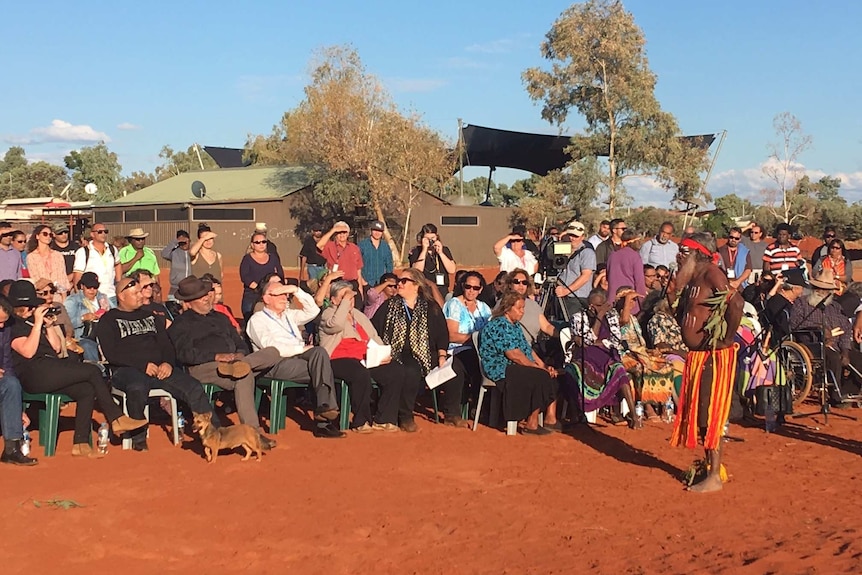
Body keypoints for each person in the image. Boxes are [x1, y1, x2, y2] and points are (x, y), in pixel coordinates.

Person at [7, 280, 147, 456]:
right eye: (29, 306)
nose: (33, 310)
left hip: (49, 368)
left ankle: (80, 443)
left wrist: (49, 325)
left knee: (86, 389)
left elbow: (57, 348)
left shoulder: (34, 322)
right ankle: (116, 417)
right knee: (93, 370)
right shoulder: (14, 326)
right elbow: (27, 352)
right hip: (32, 375)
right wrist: (36, 324)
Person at [97, 275, 219, 451]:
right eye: (137, 293)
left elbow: (167, 345)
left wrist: (167, 363)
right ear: (122, 296)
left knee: (193, 387)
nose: (142, 295)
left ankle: (215, 433)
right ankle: (139, 438)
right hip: (127, 370)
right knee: (137, 387)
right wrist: (142, 365)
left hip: (160, 369)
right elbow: (111, 353)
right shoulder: (108, 320)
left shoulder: (151, 317)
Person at [669, 232, 743, 493]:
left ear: (698, 253)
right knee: (701, 415)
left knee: (710, 415)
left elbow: (736, 302)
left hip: (713, 356)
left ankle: (714, 476)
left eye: (684, 251)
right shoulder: (692, 279)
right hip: (697, 357)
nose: (679, 255)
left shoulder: (712, 273)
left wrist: (728, 337)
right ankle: (710, 469)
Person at [169, 276, 280, 446]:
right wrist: (216, 356)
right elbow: (184, 354)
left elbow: (239, 341)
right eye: (200, 297)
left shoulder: (220, 317)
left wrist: (241, 355)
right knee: (244, 376)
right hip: (204, 367)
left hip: (234, 363)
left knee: (272, 352)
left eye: (206, 293)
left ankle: (243, 365)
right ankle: (254, 434)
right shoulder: (181, 324)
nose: (207, 297)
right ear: (188, 303)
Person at [371, 268, 468, 431]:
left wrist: (442, 354)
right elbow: (374, 329)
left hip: (427, 352)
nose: (398, 284)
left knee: (455, 368)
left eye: (403, 281)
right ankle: (405, 417)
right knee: (410, 370)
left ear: (416, 285)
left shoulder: (430, 307)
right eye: (398, 281)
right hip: (399, 352)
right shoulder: (390, 305)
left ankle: (452, 414)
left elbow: (442, 333)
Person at [245, 279, 345, 438]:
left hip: (300, 358)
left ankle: (325, 408)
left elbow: (313, 311)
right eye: (279, 294)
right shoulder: (257, 320)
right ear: (266, 298)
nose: (284, 297)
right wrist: (300, 348)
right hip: (274, 364)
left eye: (286, 294)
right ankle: (324, 421)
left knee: (319, 353)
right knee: (322, 369)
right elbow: (270, 348)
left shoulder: (289, 315)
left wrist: (295, 289)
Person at [320, 280, 413, 433]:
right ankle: (361, 421)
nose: (349, 300)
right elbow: (335, 325)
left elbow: (374, 336)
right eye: (344, 296)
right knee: (359, 372)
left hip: (366, 358)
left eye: (350, 297)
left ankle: (384, 419)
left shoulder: (358, 315)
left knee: (395, 370)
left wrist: (384, 353)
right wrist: (343, 304)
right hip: (338, 359)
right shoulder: (328, 313)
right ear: (333, 300)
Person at [478, 291, 558, 434]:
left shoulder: (515, 325)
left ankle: (549, 418)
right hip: (501, 367)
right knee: (539, 376)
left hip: (515, 366)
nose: (522, 312)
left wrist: (543, 365)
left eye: (523, 308)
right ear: (508, 308)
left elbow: (527, 349)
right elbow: (514, 355)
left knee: (551, 374)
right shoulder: (500, 325)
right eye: (519, 308)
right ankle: (531, 423)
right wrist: (536, 368)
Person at [562, 288, 636, 421]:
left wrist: (595, 341)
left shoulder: (612, 317)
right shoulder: (578, 317)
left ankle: (633, 416)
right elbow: (587, 342)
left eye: (597, 306)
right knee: (573, 370)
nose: (592, 308)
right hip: (584, 356)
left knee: (619, 370)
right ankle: (576, 415)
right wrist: (599, 317)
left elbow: (615, 340)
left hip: (606, 355)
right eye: (590, 304)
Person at [788, 269, 853, 403]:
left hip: (836, 345)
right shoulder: (801, 303)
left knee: (857, 359)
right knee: (833, 358)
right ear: (813, 287)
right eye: (818, 288)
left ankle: (849, 392)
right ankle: (835, 395)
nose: (821, 292)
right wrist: (820, 329)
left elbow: (846, 328)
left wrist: (845, 351)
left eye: (825, 289)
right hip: (812, 345)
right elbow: (795, 324)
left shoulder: (835, 307)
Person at [0, 295, 37, 465]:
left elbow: (7, 364)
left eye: (4, 322)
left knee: (12, 383)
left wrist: (17, 409)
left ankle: (11, 450)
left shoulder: (5, 330)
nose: (1, 326)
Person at [443, 271, 491, 398]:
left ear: (480, 290)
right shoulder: (454, 304)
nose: (471, 291)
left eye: (475, 288)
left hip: (480, 350)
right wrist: (475, 339)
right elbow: (451, 335)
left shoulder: (484, 308)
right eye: (468, 286)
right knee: (474, 361)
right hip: (457, 349)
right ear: (463, 286)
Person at [504, 269, 559, 363]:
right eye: (517, 282)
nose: (521, 285)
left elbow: (546, 326)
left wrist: (564, 336)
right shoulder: (504, 304)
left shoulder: (533, 305)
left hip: (532, 348)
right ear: (510, 284)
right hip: (515, 349)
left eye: (524, 282)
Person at [239, 231, 284, 320]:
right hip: (252, 295)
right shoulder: (247, 259)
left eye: (264, 242)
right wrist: (258, 288)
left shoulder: (273, 258)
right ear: (252, 245)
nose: (261, 244)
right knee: (250, 318)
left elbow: (280, 274)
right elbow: (244, 276)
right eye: (257, 242)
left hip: (270, 295)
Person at [73, 223, 122, 305]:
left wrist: (118, 282)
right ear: (92, 234)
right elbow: (77, 277)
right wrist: (81, 297)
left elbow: (118, 264)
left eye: (105, 231)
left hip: (111, 294)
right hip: (93, 297)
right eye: (100, 232)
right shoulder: (83, 252)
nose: (103, 234)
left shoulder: (112, 249)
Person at [554, 221, 595, 317]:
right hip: (560, 296)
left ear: (582, 237)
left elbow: (585, 276)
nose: (572, 238)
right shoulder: (563, 250)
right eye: (570, 235)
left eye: (576, 236)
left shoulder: (587, 253)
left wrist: (566, 291)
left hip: (576, 298)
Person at [317, 221, 365, 298]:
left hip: (353, 284)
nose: (342, 234)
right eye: (339, 232)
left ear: (348, 234)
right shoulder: (330, 246)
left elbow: (358, 271)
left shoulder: (355, 248)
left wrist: (361, 292)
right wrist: (333, 230)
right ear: (335, 234)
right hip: (337, 284)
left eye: (344, 232)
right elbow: (319, 245)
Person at [408, 223, 456, 298]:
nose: (430, 241)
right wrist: (424, 250)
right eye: (427, 238)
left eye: (433, 238)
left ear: (437, 236)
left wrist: (441, 253)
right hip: (424, 289)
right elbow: (417, 271)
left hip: (442, 289)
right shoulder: (416, 251)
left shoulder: (444, 250)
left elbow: (452, 270)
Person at [607, 229, 647, 315]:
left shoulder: (612, 255)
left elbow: (608, 277)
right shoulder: (635, 257)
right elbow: (639, 283)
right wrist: (644, 304)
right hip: (629, 303)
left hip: (612, 301)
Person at [26, 224, 71, 297]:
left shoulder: (58, 255)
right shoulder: (31, 257)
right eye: (45, 234)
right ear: (37, 236)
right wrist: (51, 283)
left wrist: (64, 298)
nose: (48, 237)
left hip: (58, 295)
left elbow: (62, 279)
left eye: (50, 235)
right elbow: (36, 280)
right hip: (42, 295)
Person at [763, 269, 806, 343]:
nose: (803, 291)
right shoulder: (777, 303)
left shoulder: (795, 302)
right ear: (794, 289)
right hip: (781, 343)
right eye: (802, 288)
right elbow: (784, 327)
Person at [64, 272, 111, 339]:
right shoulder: (73, 300)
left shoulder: (103, 298)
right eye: (89, 287)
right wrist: (83, 318)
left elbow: (115, 314)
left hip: (105, 334)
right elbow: (66, 324)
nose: (92, 290)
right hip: (84, 338)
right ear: (82, 286)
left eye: (95, 287)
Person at [358, 220, 393, 292]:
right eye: (375, 230)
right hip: (366, 283)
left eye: (379, 231)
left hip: (381, 284)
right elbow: (357, 264)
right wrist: (362, 281)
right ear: (371, 230)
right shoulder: (362, 245)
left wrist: (388, 281)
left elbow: (389, 264)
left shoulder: (385, 246)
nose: (377, 233)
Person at [160, 230, 192, 298]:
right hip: (176, 287)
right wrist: (175, 241)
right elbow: (164, 254)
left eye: (186, 242)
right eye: (181, 242)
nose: (184, 244)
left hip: (190, 287)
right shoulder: (175, 253)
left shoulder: (193, 252)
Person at [299, 223, 327, 288]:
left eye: (319, 231)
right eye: (316, 231)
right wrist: (302, 272)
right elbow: (304, 256)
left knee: (323, 285)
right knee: (313, 285)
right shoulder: (308, 242)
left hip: (323, 267)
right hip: (312, 267)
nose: (318, 232)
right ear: (312, 231)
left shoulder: (324, 241)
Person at [49, 221, 77, 285]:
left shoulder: (76, 247)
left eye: (66, 232)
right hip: (56, 283)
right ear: (53, 234)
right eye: (60, 233)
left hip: (74, 282)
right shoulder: (50, 248)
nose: (64, 234)